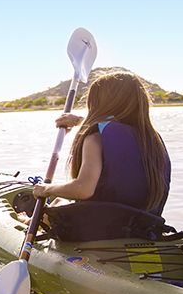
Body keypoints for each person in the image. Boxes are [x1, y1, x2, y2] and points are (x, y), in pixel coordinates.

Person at [32, 71, 171, 221]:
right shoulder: (152, 138)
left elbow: (83, 189)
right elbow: (117, 132)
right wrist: (79, 121)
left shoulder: (95, 138)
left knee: (54, 206)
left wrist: (46, 189)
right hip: (143, 225)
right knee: (60, 202)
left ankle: (27, 221)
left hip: (101, 227)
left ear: (96, 102)